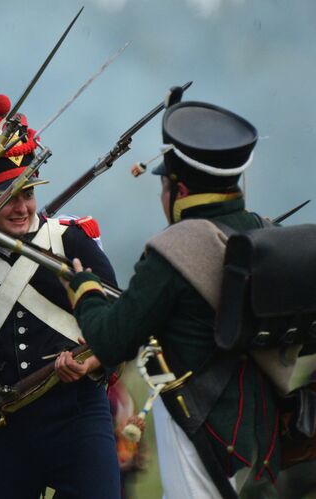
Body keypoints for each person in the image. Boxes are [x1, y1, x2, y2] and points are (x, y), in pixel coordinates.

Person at [65, 90, 280, 498]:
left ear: (179, 190)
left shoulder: (173, 250)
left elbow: (111, 339)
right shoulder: (262, 230)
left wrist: (86, 291)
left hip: (202, 421)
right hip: (258, 424)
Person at [0, 97, 121, 498]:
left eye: (27, 193)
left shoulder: (69, 240)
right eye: (7, 196)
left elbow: (119, 321)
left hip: (79, 412)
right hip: (11, 420)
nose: (21, 207)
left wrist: (91, 364)